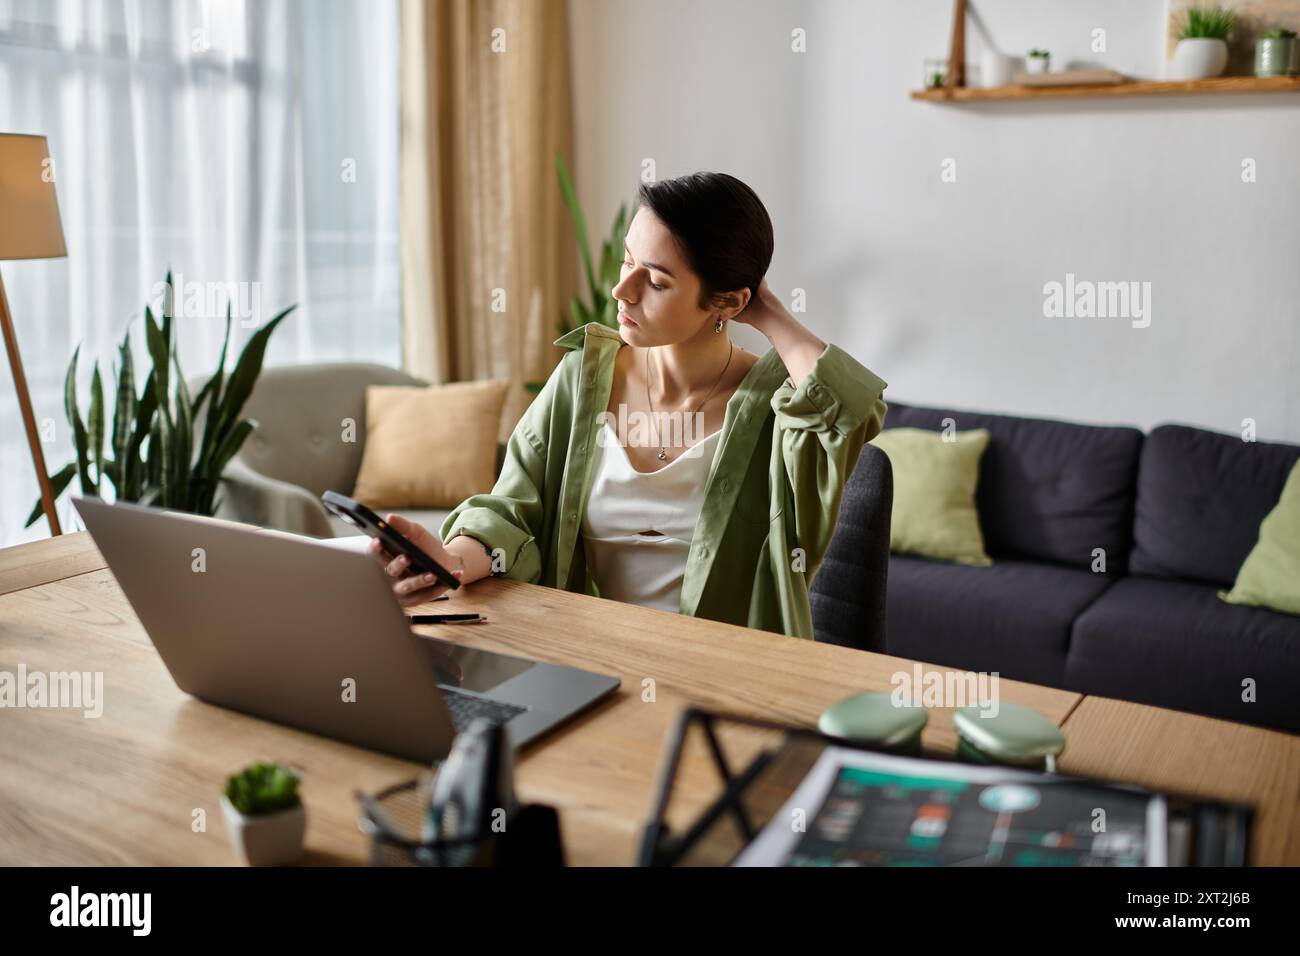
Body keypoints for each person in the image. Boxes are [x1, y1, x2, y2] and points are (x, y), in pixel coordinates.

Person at [369, 171, 887, 639]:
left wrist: (771, 314)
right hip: (591, 663)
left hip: (724, 683)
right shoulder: (583, 378)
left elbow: (853, 414)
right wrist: (448, 560)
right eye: (627, 259)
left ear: (728, 302)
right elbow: (513, 512)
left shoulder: (779, 407)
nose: (622, 289)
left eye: (656, 281)